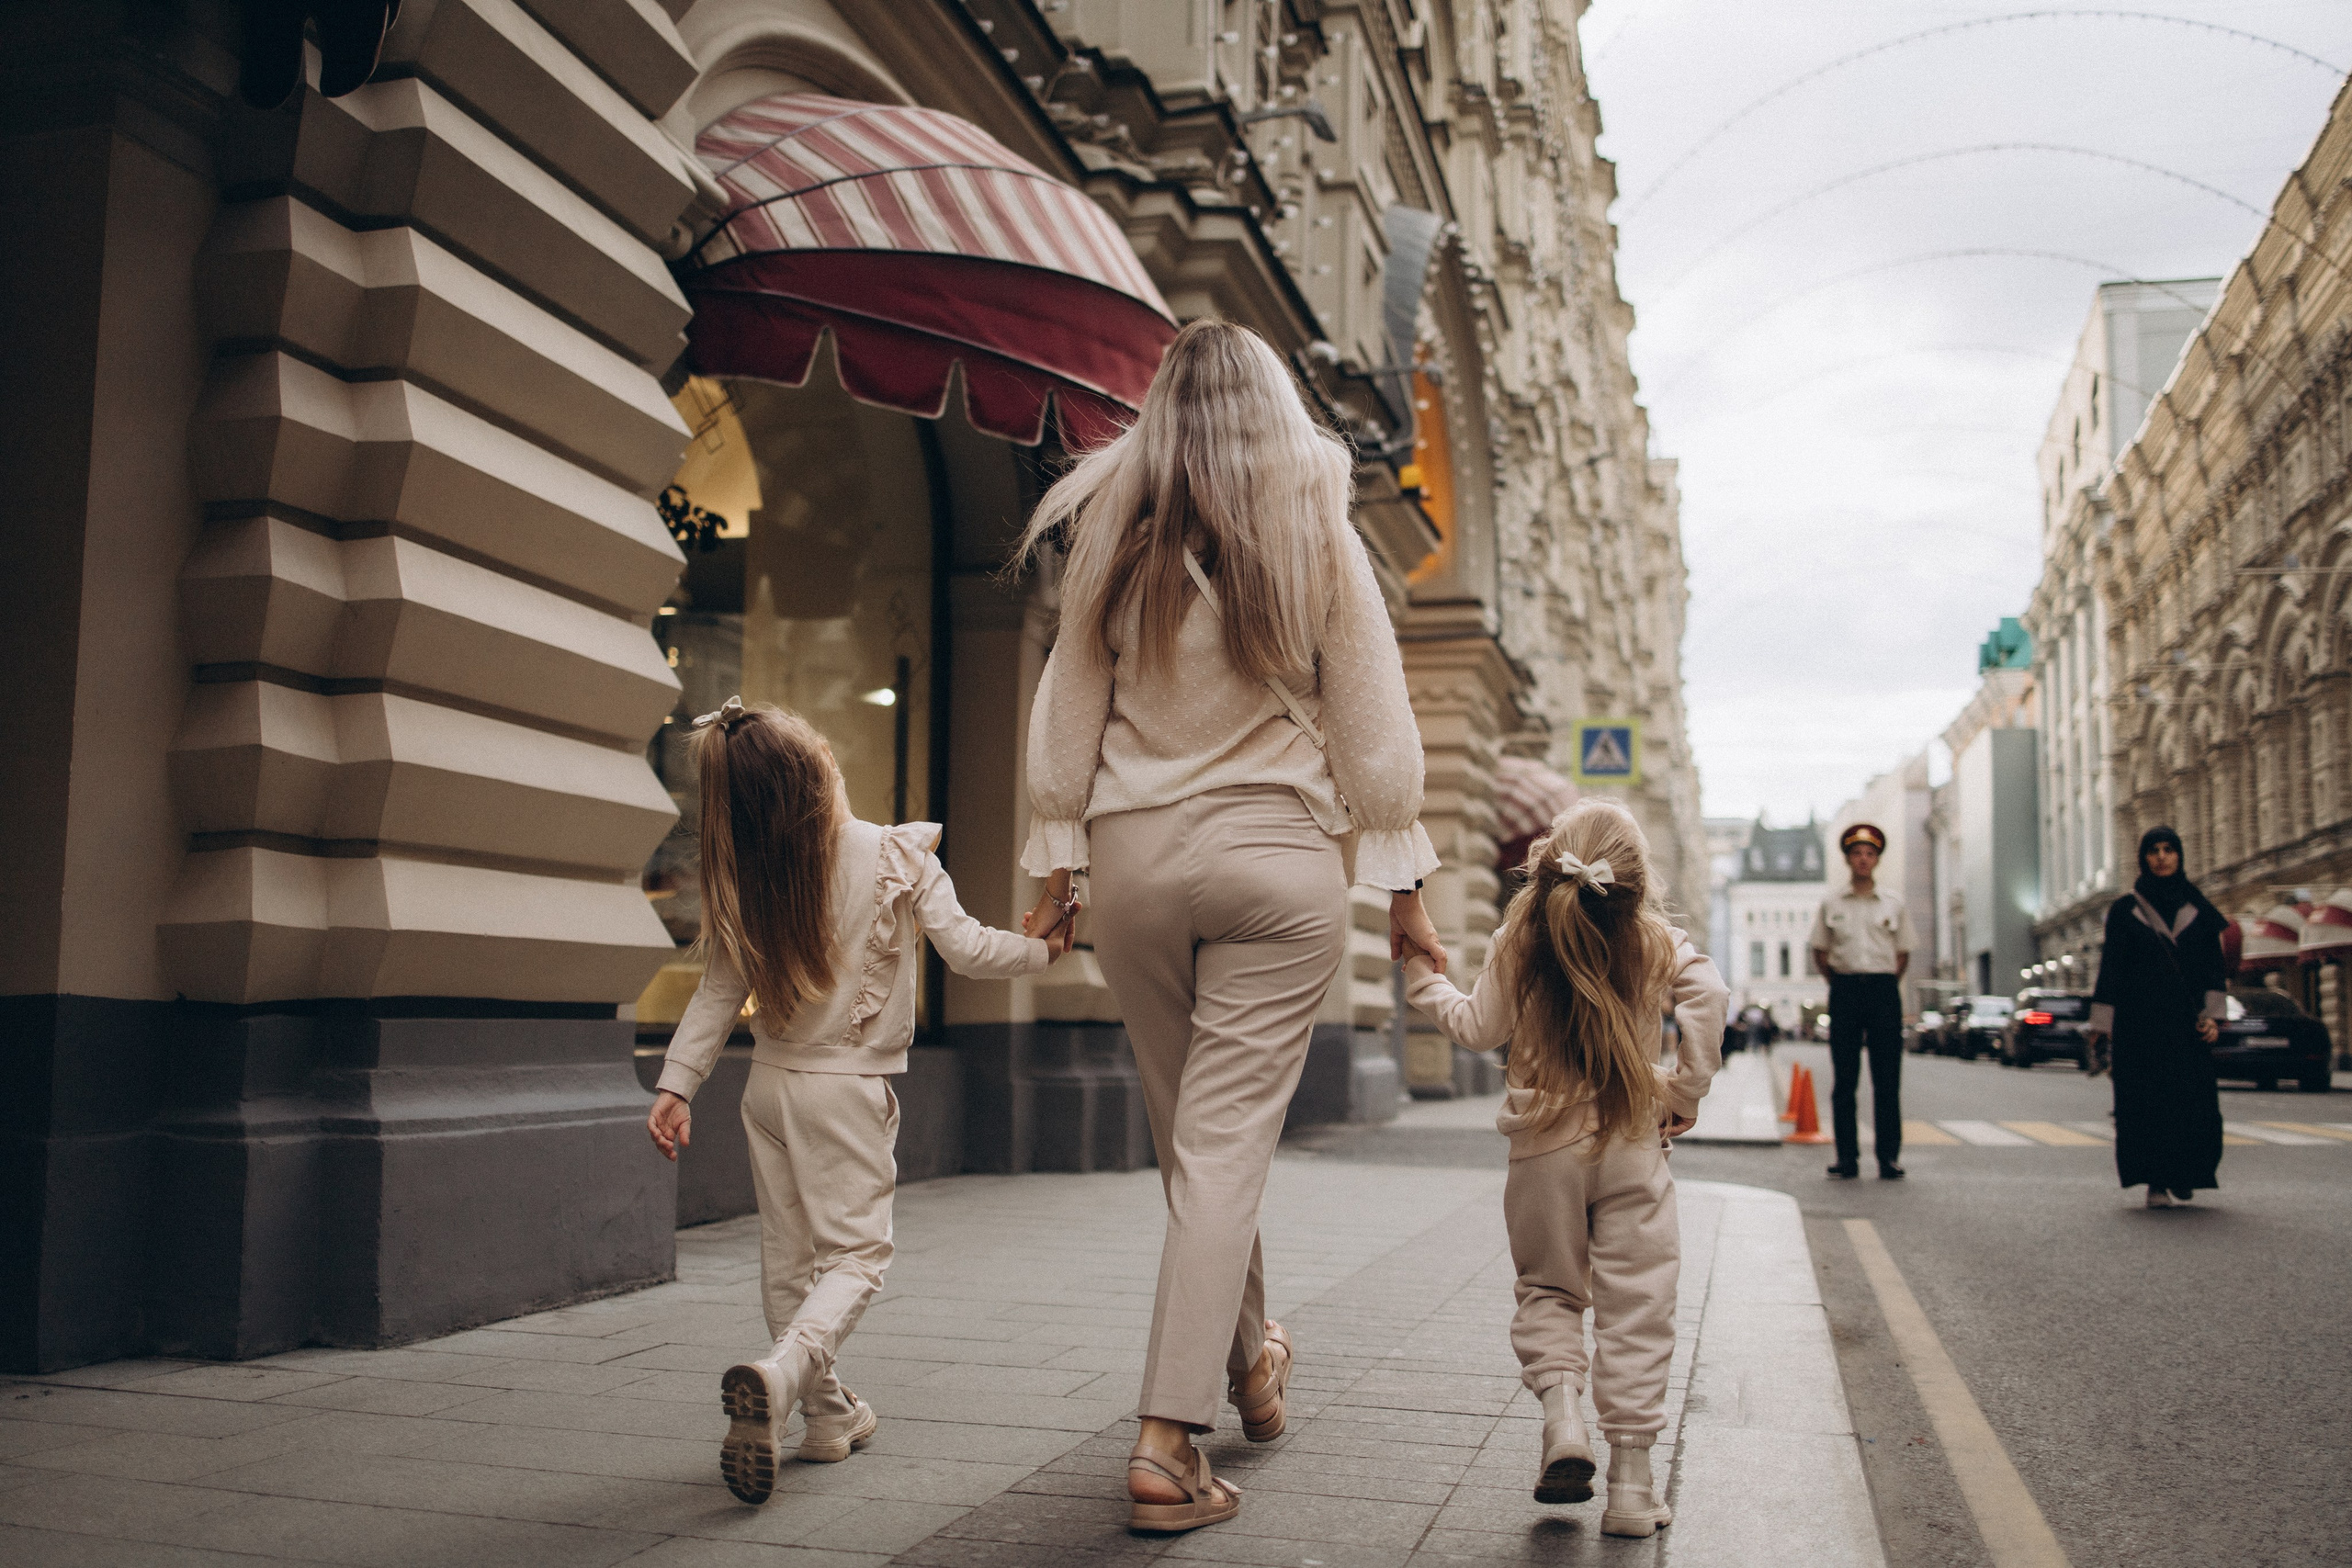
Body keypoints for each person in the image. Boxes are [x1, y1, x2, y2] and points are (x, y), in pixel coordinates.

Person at [1014, 318, 1443, 1534]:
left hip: (1135, 867)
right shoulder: (1316, 533)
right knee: (1222, 1150)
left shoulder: (1116, 538)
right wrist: (1407, 890)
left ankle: (1254, 1361)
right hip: (1277, 864)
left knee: (1194, 1148)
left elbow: (1063, 728)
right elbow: (1376, 743)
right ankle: (1166, 1440)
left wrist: (1056, 865)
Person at [644, 699, 1069, 1505]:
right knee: (856, 1257)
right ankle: (781, 1379)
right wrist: (1042, 951)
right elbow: (967, 949)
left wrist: (676, 1082)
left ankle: (829, 1416)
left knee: (787, 1263)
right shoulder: (894, 853)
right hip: (845, 1090)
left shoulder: (755, 874)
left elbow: (717, 991)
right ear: (819, 772)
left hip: (767, 1087)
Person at [1405, 799, 1726, 1538]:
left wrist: (1422, 976)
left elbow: (1476, 1026)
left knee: (1549, 1290)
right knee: (1637, 1306)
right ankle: (1632, 1489)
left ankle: (1563, 1421)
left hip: (1542, 1149)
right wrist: (1685, 1089)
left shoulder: (1522, 937)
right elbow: (1708, 993)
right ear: (1636, 883)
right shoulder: (1653, 938)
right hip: (1632, 1139)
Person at [2081, 826, 2227, 1209]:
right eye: (2153, 851)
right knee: (2148, 1105)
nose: (2161, 857)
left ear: (2179, 855)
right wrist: (2102, 1026)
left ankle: (2186, 1172)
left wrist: (2214, 1017)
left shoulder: (2197, 908)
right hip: (2139, 1027)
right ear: (2143, 858)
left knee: (2193, 1104)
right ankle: (2157, 1182)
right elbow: (2111, 970)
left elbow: (2214, 968)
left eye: (2168, 850)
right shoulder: (2126, 910)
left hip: (2186, 1026)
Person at [1809, 823, 1916, 1179]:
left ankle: (1888, 1158)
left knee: (1887, 1079)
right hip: (1845, 990)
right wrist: (1840, 981)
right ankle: (1847, 1158)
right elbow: (1820, 950)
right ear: (1847, 859)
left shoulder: (1894, 903)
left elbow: (1902, 952)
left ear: (1877, 860)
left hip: (1884, 991)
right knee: (1845, 1079)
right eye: (1857, 853)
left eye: (1870, 854)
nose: (1863, 859)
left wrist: (1884, 981)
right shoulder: (1832, 903)